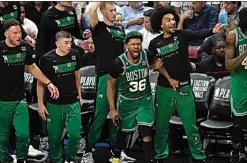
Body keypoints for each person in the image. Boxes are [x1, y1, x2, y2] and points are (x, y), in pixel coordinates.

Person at [148, 7, 222, 163]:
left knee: (191, 127)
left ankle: (199, 156)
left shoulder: (183, 35)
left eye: (173, 19)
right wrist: (162, 73)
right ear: (160, 24)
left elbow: (199, 34)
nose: (172, 22)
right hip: (164, 90)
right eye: (168, 20)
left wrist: (213, 30)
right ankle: (160, 154)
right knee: (161, 127)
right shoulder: (154, 43)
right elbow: (156, 65)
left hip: (184, 88)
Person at [0, 19, 59, 163]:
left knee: (23, 135)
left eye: (20, 32)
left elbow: (31, 67)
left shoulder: (24, 47)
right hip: (0, 100)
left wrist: (48, 82)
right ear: (6, 34)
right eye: (14, 33)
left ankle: (21, 160)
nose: (18, 35)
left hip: (20, 99)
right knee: (2, 139)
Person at [82, 2, 133, 163]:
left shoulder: (120, 29)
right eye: (111, 10)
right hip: (105, 76)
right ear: (103, 12)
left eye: (115, 10)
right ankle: (88, 150)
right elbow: (91, 9)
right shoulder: (99, 27)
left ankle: (116, 152)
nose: (114, 13)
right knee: (100, 114)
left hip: (121, 76)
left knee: (119, 116)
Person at [108, 31, 162, 163]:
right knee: (123, 131)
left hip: (144, 99)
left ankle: (149, 159)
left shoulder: (147, 54)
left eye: (138, 44)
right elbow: (110, 86)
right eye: (133, 44)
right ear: (126, 46)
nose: (136, 46)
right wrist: (112, 108)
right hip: (126, 101)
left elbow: (154, 64)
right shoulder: (118, 63)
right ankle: (116, 156)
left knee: (146, 130)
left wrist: (155, 66)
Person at [37, 31, 82, 163]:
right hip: (54, 104)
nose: (69, 46)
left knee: (74, 135)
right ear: (57, 43)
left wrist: (80, 94)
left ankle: (71, 159)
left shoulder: (75, 54)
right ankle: (56, 160)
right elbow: (40, 82)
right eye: (66, 43)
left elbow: (77, 73)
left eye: (71, 43)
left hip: (72, 102)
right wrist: (40, 103)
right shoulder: (47, 59)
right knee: (55, 138)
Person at [225, 7, 247, 163]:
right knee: (239, 123)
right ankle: (235, 148)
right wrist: (245, 53)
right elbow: (228, 65)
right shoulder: (233, 36)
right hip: (240, 84)